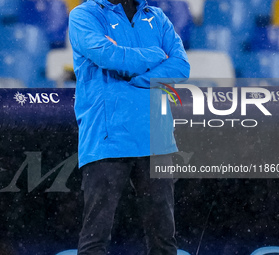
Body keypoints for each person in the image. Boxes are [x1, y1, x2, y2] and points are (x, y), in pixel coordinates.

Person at [68, 0, 190, 253]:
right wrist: (155, 55)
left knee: (164, 238)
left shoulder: (157, 16)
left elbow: (180, 65)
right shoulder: (84, 15)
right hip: (107, 137)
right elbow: (107, 55)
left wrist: (136, 77)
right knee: (95, 236)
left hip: (156, 138)